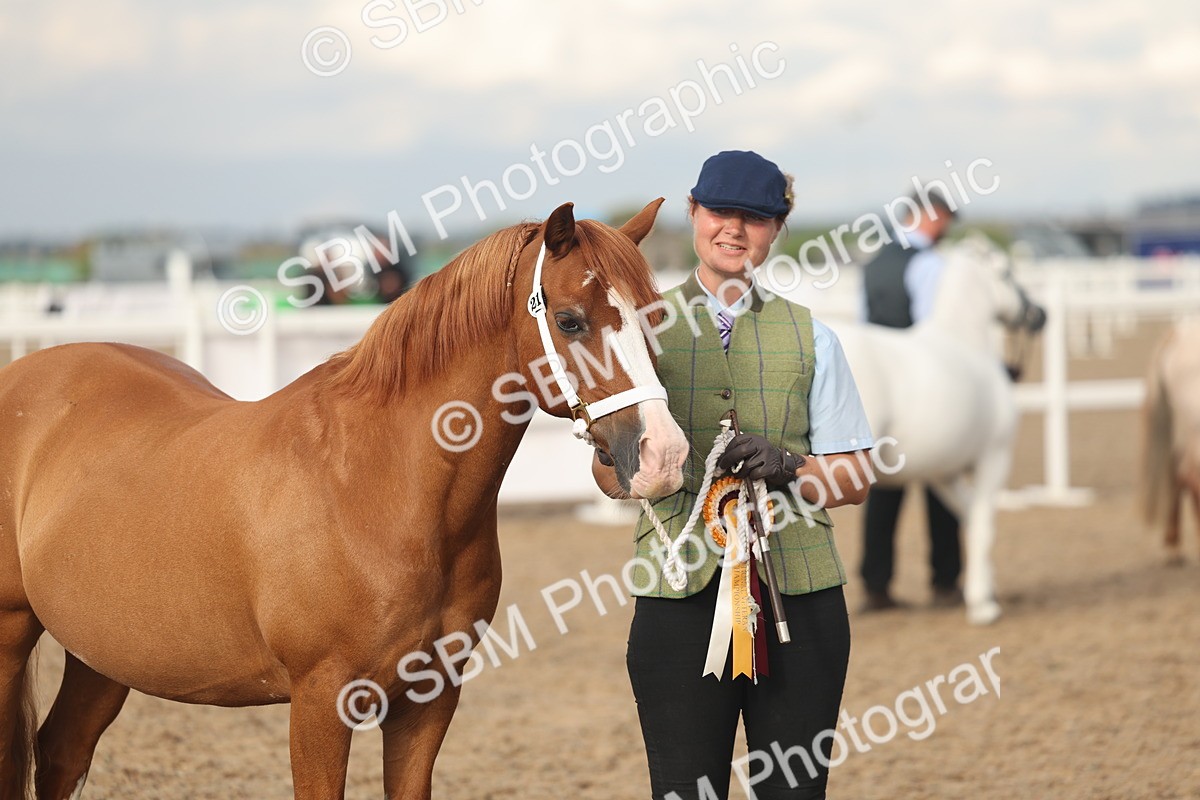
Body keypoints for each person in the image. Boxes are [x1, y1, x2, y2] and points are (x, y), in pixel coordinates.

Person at [592, 151, 875, 800]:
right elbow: (607, 480)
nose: (734, 229)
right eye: (720, 212)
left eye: (755, 217)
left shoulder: (814, 339)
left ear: (778, 228)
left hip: (798, 602)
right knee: (684, 792)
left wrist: (790, 465)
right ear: (693, 213)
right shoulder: (639, 330)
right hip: (676, 598)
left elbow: (855, 478)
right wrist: (624, 459)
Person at [858, 189, 962, 611]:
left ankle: (876, 583)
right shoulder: (930, 264)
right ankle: (946, 580)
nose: (948, 227)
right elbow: (932, 333)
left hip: (884, 386)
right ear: (931, 216)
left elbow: (867, 326)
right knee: (942, 479)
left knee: (884, 484)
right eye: (946, 218)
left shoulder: (874, 263)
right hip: (925, 385)